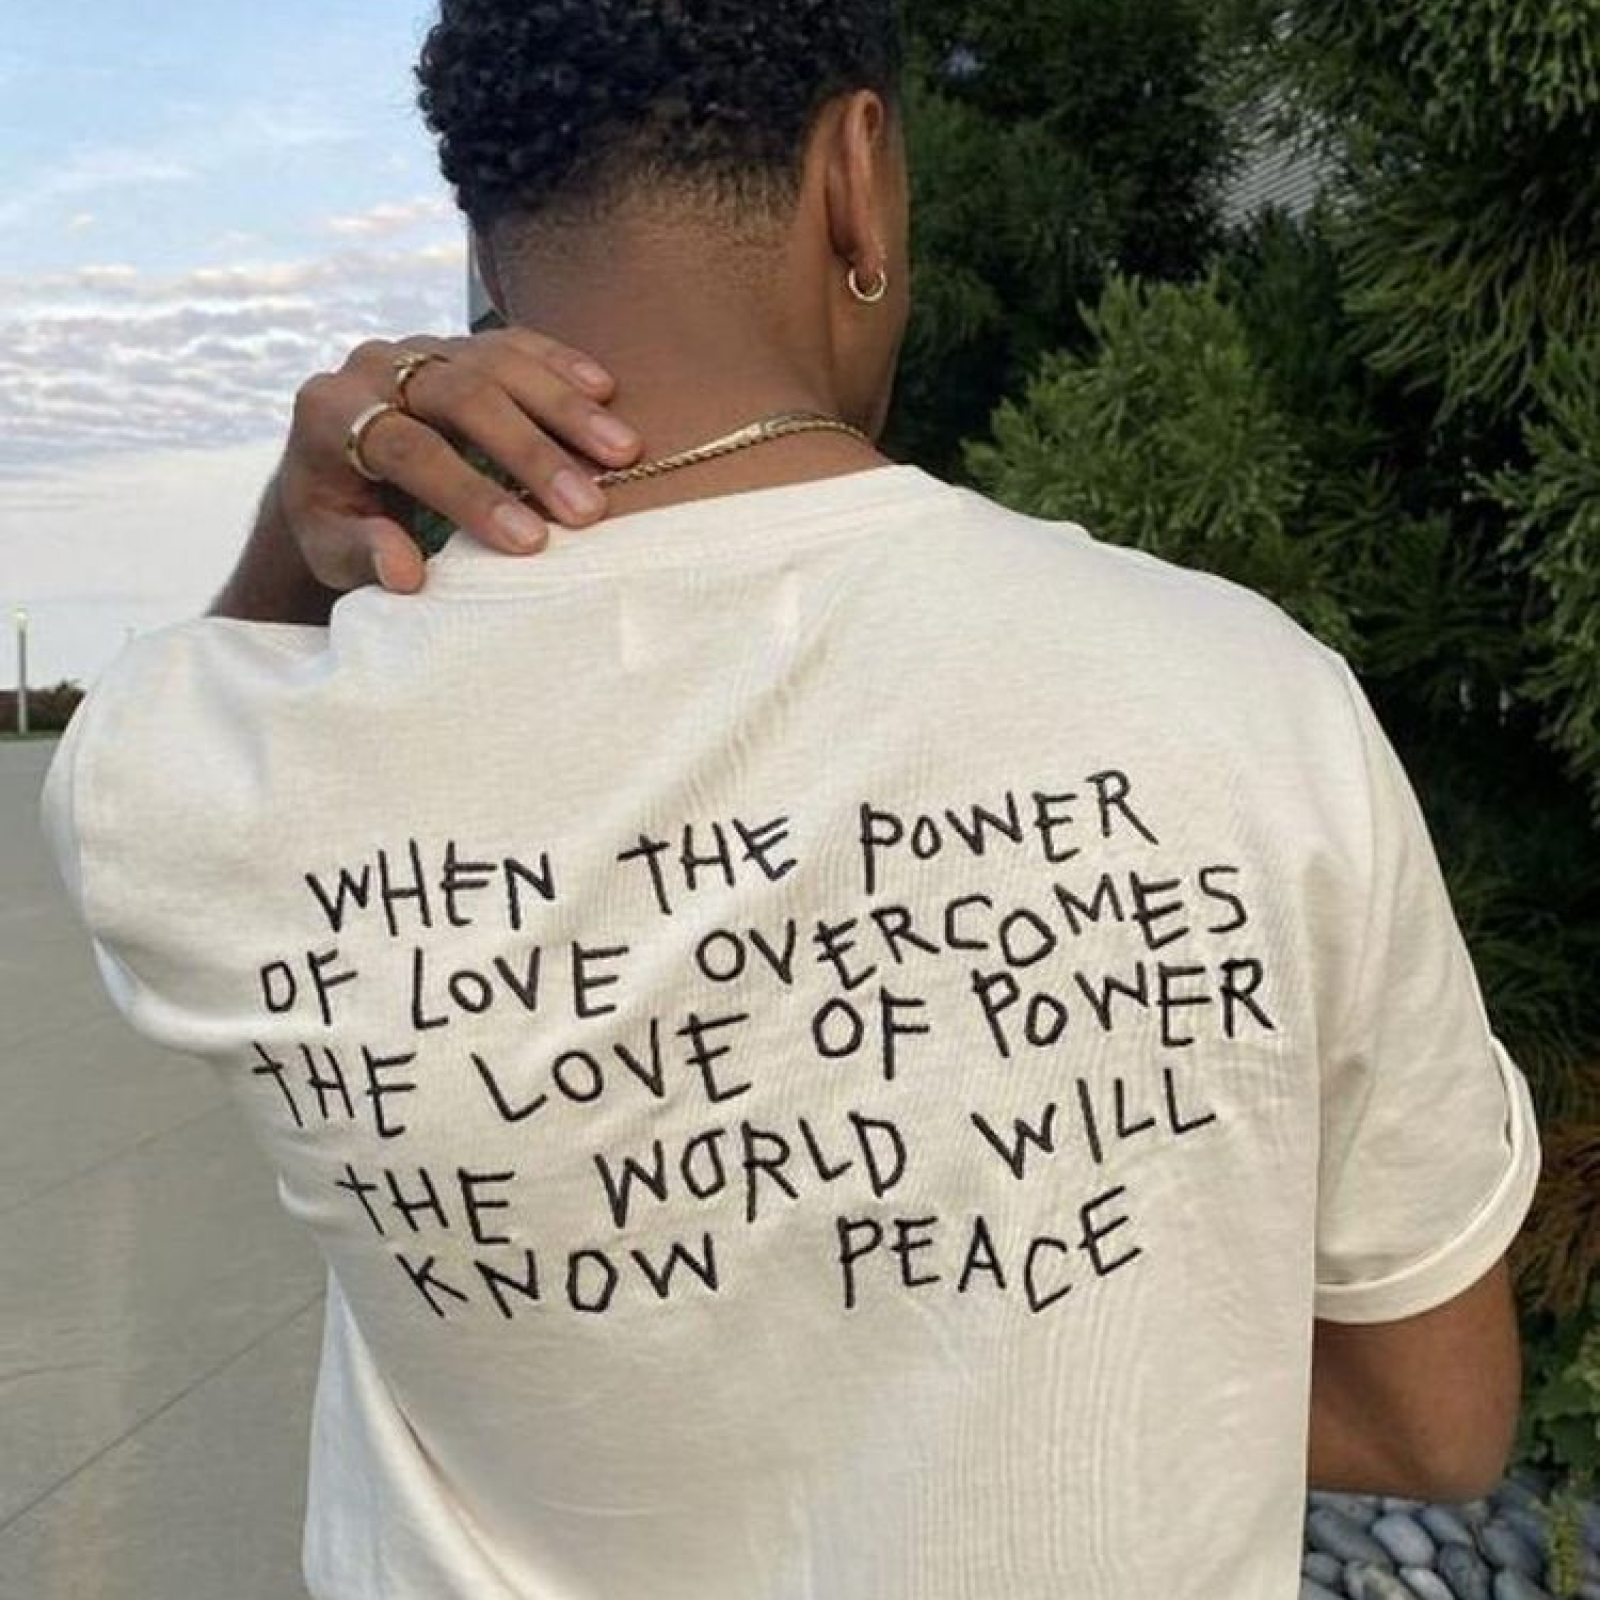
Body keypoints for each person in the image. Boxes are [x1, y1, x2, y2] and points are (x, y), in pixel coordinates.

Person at [39, 3, 1543, 1597]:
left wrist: (301, 518)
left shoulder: (194, 781)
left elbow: (205, 696)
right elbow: (1436, 1426)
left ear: (482, 245)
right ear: (857, 177)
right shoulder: (1251, 701)